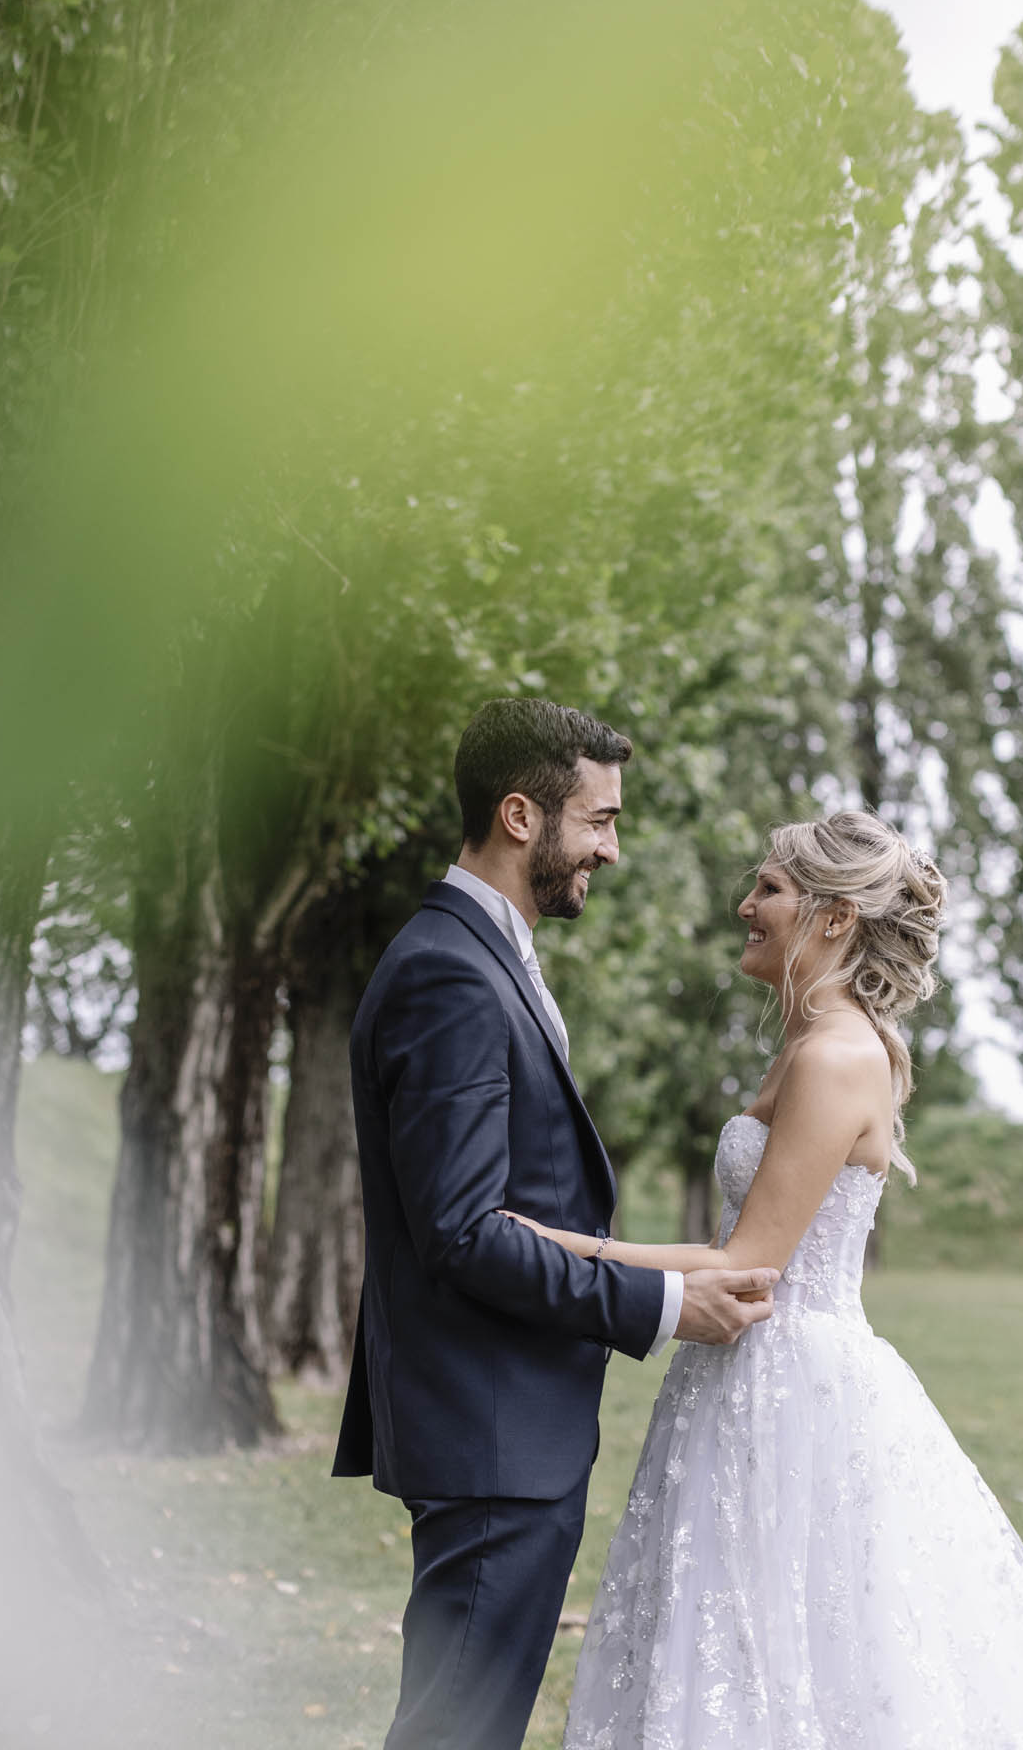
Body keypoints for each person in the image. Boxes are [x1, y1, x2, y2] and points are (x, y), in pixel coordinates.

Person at [501, 809, 1023, 1750]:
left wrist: (560, 1247)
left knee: (802, 1645)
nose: (744, 906)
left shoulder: (837, 1056)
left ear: (834, 918)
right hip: (734, 1377)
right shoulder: (808, 1047)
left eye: (768, 889)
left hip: (789, 1386)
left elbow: (742, 1263)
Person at [332, 697, 777, 1750]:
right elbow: (463, 1230)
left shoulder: (484, 953)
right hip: (488, 1428)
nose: (611, 849)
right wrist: (667, 1300)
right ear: (521, 814)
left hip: (503, 1423)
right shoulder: (450, 971)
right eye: (600, 820)